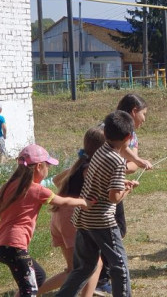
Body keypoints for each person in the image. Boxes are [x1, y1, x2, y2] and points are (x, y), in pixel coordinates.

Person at [55, 110, 139, 297]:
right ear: (128, 137)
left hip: (83, 219)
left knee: (84, 268)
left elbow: (101, 181)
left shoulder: (100, 151)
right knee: (120, 266)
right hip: (102, 222)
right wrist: (127, 189)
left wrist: (120, 184)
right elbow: (114, 198)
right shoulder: (117, 161)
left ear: (106, 133)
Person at [0, 144, 89, 296]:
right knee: (30, 290)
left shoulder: (8, 186)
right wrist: (83, 202)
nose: (48, 169)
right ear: (39, 166)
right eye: (47, 165)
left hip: (3, 245)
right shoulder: (36, 190)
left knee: (38, 276)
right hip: (15, 245)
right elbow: (63, 202)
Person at [37, 127, 105, 296]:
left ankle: (30, 292)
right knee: (94, 264)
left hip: (59, 216)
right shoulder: (89, 168)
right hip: (72, 219)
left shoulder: (80, 164)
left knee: (72, 269)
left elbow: (55, 179)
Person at [95, 93, 148, 295]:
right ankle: (101, 278)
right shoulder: (123, 132)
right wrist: (135, 166)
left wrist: (137, 162)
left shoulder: (110, 125)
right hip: (108, 186)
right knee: (114, 231)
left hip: (103, 183)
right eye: (143, 114)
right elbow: (123, 157)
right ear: (134, 111)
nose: (144, 119)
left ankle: (97, 277)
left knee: (110, 231)